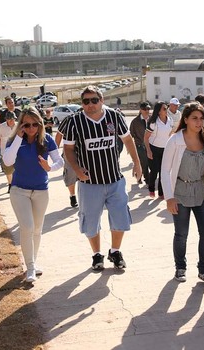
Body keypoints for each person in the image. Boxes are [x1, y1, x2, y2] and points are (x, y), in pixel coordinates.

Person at [59, 85, 142, 270]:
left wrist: (137, 163)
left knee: (121, 218)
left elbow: (127, 140)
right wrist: (77, 169)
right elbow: (68, 149)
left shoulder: (114, 117)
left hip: (114, 180)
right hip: (89, 183)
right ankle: (97, 255)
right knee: (90, 221)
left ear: (102, 100)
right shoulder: (74, 122)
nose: (90, 104)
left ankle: (115, 251)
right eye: (86, 101)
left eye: (94, 100)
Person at [2, 108, 64, 283]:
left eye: (34, 124)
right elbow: (7, 161)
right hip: (19, 191)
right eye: (26, 125)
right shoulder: (15, 140)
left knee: (37, 229)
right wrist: (19, 138)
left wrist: (49, 168)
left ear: (40, 124)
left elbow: (60, 161)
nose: (31, 128)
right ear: (21, 125)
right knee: (27, 227)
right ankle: (30, 267)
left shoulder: (46, 140)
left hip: (41, 191)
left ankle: (33, 263)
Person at [161, 103, 204, 287]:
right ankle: (180, 267)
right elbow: (165, 170)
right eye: (194, 118)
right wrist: (169, 197)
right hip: (180, 192)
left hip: (201, 192)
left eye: (201, 118)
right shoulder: (175, 140)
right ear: (185, 119)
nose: (199, 122)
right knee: (181, 234)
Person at [144, 101, 172, 199]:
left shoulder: (170, 120)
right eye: (164, 109)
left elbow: (170, 135)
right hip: (154, 149)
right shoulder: (153, 123)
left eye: (167, 108)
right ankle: (151, 189)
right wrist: (148, 150)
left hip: (165, 149)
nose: (166, 110)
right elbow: (146, 138)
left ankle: (161, 192)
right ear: (159, 111)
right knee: (154, 171)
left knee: (163, 171)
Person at [55, 126, 79, 208]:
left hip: (86, 151)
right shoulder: (69, 119)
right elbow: (59, 133)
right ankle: (72, 195)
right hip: (69, 151)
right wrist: (55, 152)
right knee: (70, 173)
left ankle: (85, 197)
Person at [130, 101, 152, 185]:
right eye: (144, 109)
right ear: (140, 110)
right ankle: (147, 179)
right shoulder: (135, 121)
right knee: (144, 162)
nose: (147, 111)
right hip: (140, 145)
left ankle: (137, 173)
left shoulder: (152, 119)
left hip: (151, 145)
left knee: (151, 163)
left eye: (148, 109)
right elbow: (131, 134)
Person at [0, 110, 17, 192]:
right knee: (8, 171)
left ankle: (16, 185)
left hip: (18, 152)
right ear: (6, 119)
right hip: (6, 153)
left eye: (13, 119)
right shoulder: (1, 127)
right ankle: (10, 184)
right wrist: (2, 151)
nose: (12, 121)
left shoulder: (19, 126)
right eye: (10, 119)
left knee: (18, 170)